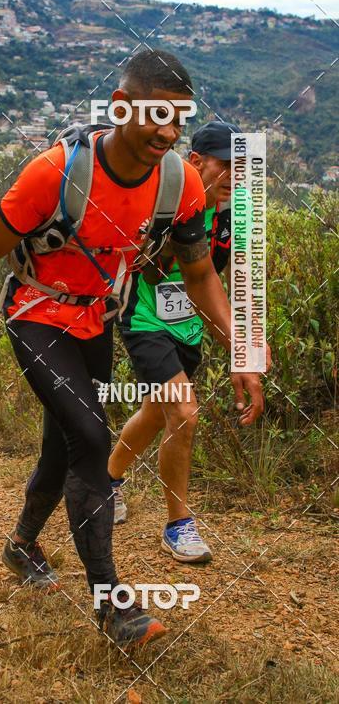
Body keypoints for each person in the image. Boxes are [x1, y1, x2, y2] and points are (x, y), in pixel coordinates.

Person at [0, 49, 265, 648]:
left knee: (63, 445)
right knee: (89, 436)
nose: (169, 132)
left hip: (96, 319)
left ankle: (21, 544)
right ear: (121, 107)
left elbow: (199, 274)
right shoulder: (54, 173)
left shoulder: (180, 181)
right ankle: (112, 603)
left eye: (179, 119)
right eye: (157, 115)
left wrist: (242, 348)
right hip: (35, 314)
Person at [108, 121, 268, 562]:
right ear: (196, 161)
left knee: (156, 414)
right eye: (225, 165)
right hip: (144, 317)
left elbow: (239, 282)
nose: (234, 177)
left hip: (190, 325)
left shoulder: (235, 213)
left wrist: (247, 343)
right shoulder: (165, 197)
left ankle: (109, 479)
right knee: (183, 411)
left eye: (242, 168)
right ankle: (178, 524)